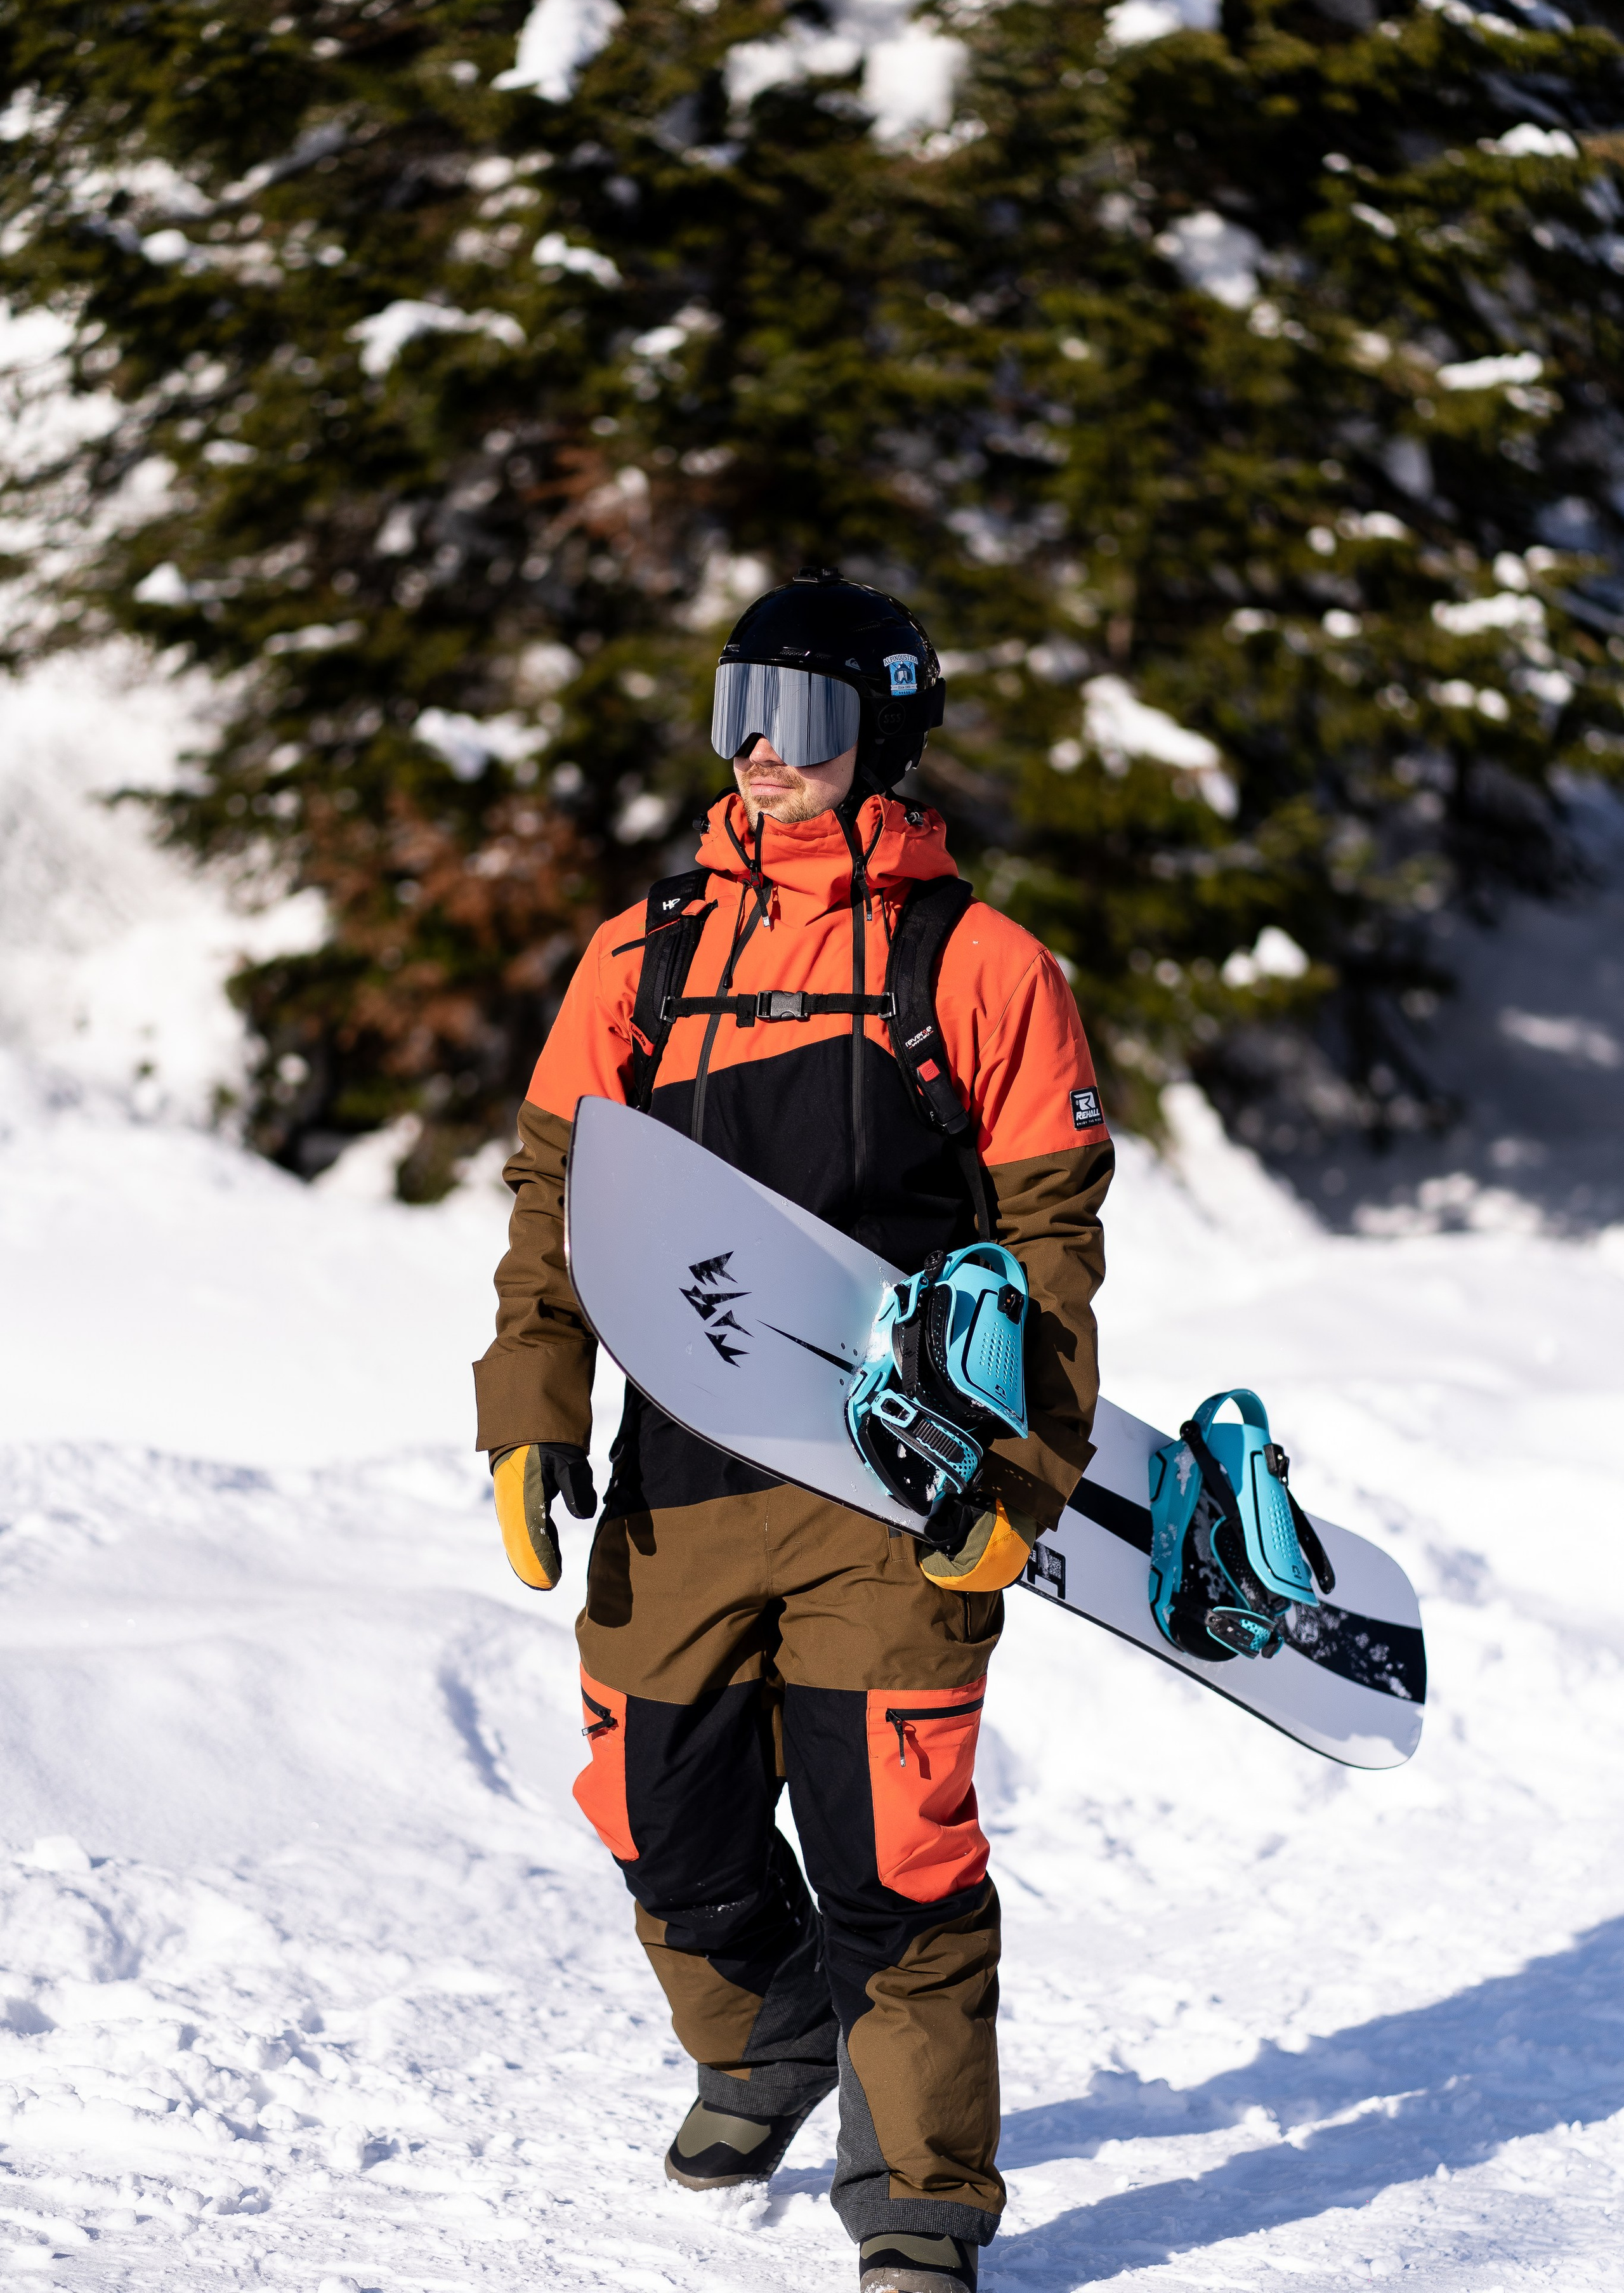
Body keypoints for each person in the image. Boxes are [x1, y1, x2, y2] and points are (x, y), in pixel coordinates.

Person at [473, 569, 1113, 2293]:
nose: (764, 751)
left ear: (883, 737)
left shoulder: (978, 966)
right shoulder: (642, 953)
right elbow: (556, 1206)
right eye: (739, 706)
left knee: (894, 1851)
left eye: (809, 718)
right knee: (651, 1810)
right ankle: (761, 2037)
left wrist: (1024, 1469)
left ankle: (918, 2199)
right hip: (680, 1481)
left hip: (891, 1497)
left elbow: (1053, 1252)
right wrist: (531, 1414)